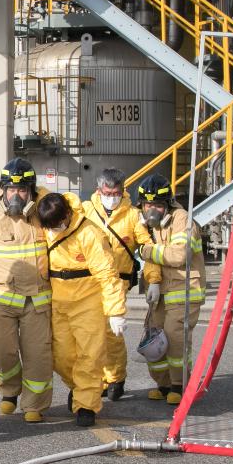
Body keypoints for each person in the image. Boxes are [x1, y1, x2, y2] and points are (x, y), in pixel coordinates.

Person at [0, 158, 54, 422]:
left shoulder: (44, 212)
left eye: (22, 190)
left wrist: (44, 201)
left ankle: (34, 404)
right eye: (11, 189)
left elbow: (69, 211)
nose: (16, 195)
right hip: (2, 299)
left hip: (36, 301)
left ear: (31, 190)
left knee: (38, 355)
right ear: (3, 190)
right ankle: (9, 392)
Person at [36, 191, 127, 427]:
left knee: (90, 355)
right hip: (58, 299)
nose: (54, 229)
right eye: (50, 226)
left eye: (57, 225)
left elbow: (107, 273)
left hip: (88, 301)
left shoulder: (90, 233)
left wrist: (115, 310)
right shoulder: (46, 225)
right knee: (61, 356)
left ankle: (86, 405)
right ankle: (79, 389)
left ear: (67, 214)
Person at [80, 168, 153, 402]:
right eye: (107, 192)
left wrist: (154, 280)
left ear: (124, 191)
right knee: (92, 332)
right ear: (98, 190)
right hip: (90, 281)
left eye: (116, 192)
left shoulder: (133, 216)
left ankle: (115, 378)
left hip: (118, 282)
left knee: (112, 334)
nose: (111, 196)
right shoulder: (85, 210)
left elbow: (147, 247)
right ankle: (100, 378)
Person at [134, 173, 207, 404]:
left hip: (184, 290)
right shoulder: (145, 223)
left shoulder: (182, 219)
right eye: (148, 205)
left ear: (167, 204)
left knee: (175, 340)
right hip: (159, 291)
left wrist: (146, 251)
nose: (152, 210)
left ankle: (180, 384)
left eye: (157, 205)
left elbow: (178, 256)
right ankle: (163, 384)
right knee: (154, 338)